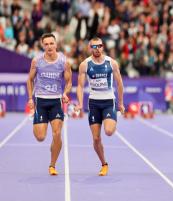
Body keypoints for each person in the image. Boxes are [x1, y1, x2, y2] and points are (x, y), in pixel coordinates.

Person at [75, 37, 125, 176]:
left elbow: (119, 84)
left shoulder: (111, 63)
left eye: (99, 46)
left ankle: (112, 118)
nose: (97, 49)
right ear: (90, 48)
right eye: (94, 46)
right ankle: (104, 164)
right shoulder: (85, 65)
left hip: (109, 102)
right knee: (96, 139)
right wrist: (80, 103)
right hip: (94, 103)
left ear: (103, 47)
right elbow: (80, 85)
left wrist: (120, 103)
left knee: (109, 131)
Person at [26, 33, 72, 175]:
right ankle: (53, 144)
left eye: (51, 43)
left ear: (56, 44)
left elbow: (69, 82)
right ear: (43, 46)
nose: (49, 46)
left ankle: (52, 165)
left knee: (57, 134)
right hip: (40, 101)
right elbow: (30, 80)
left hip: (56, 101)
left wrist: (65, 93)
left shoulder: (64, 61)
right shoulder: (37, 61)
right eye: (46, 44)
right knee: (40, 137)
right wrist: (30, 98)